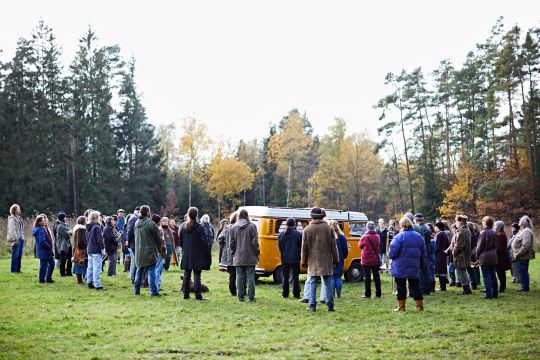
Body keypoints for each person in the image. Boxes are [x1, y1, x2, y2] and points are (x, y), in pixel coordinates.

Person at [301, 207, 338, 312]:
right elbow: (333, 247)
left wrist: (303, 261)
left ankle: (312, 305)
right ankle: (330, 306)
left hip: (313, 260)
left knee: (313, 282)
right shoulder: (328, 228)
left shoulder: (307, 229)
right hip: (326, 259)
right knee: (327, 283)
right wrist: (336, 259)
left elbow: (304, 248)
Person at [389, 217, 427, 311]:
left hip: (400, 266)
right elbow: (424, 253)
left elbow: (392, 253)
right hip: (414, 265)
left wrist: (389, 255)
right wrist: (422, 265)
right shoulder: (419, 236)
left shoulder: (399, 237)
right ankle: (419, 306)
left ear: (402, 225)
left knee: (401, 287)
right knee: (415, 286)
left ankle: (401, 307)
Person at [180, 207, 212, 300]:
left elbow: (181, 242)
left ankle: (186, 295)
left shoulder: (183, 228)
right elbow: (205, 242)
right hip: (197, 255)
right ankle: (198, 295)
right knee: (197, 275)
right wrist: (207, 252)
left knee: (187, 274)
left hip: (187, 254)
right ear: (197, 215)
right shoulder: (200, 228)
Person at [230, 209, 260, 303]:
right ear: (247, 215)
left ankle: (240, 297)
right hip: (250, 256)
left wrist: (233, 252)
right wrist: (257, 252)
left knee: (239, 277)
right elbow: (255, 242)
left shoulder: (233, 227)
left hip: (238, 256)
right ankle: (251, 297)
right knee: (251, 277)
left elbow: (232, 243)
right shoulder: (252, 226)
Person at [133, 205, 164, 296]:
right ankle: (154, 292)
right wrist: (160, 248)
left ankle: (136, 290)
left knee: (139, 271)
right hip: (150, 251)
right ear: (148, 212)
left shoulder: (136, 223)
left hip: (139, 252)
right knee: (151, 272)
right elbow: (158, 238)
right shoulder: (150, 223)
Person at [278, 218, 302, 299]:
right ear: (294, 224)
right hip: (295, 258)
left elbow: (280, 247)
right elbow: (300, 246)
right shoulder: (298, 234)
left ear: (286, 224)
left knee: (285, 277)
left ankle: (285, 294)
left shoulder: (281, 235)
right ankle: (296, 294)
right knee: (296, 277)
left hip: (285, 258)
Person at [476, 216, 498, 299]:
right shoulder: (494, 232)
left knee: (486, 276)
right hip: (493, 255)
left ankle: (488, 294)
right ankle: (495, 294)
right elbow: (496, 244)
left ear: (485, 222)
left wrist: (477, 256)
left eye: (483, 221)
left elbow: (479, 247)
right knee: (493, 275)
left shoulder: (483, 233)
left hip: (485, 256)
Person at [512, 215, 535, 292]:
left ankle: (525, 287)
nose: (519, 221)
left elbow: (526, 244)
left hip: (522, 256)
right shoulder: (523, 230)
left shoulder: (526, 231)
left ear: (524, 223)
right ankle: (524, 286)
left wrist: (518, 253)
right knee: (521, 271)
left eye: (520, 220)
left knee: (523, 271)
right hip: (520, 256)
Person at [359, 221, 381, 298]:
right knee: (376, 277)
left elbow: (360, 246)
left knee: (367, 277)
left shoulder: (364, 237)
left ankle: (367, 294)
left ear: (367, 227)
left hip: (366, 260)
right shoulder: (377, 236)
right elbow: (379, 245)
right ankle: (378, 293)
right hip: (375, 259)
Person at [218, 212, 239, 296]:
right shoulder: (238, 228)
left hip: (230, 254)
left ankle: (232, 290)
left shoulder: (227, 228)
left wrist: (225, 247)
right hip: (238, 254)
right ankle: (239, 290)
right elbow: (220, 239)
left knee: (232, 273)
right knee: (239, 273)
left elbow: (220, 238)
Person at [451, 215, 472, 295]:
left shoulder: (462, 231)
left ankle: (466, 289)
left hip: (461, 256)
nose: (455, 223)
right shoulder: (466, 230)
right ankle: (466, 288)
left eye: (456, 221)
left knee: (461, 272)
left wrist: (454, 251)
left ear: (459, 221)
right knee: (462, 272)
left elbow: (459, 245)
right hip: (464, 255)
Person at [33, 214, 55, 284]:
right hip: (44, 251)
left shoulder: (43, 228)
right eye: (43, 220)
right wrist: (49, 247)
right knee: (44, 265)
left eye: (45, 220)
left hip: (46, 250)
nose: (45, 221)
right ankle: (42, 280)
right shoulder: (40, 230)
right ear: (39, 222)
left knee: (51, 263)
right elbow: (42, 241)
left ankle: (48, 278)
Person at [86, 211, 105, 290]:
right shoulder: (97, 227)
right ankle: (97, 285)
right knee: (97, 268)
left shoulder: (88, 227)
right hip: (96, 250)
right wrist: (102, 249)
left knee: (90, 267)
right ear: (96, 218)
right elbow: (100, 240)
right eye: (99, 216)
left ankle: (89, 282)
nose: (100, 218)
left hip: (90, 249)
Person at [414, 213, 432, 295]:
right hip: (427, 251)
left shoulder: (420, 228)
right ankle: (427, 289)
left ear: (416, 220)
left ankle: (422, 288)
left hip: (422, 251)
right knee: (426, 271)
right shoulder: (427, 227)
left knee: (421, 271)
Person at [329, 220, 348, 299]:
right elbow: (345, 250)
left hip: (330, 259)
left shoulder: (328, 236)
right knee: (338, 276)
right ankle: (338, 294)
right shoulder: (342, 237)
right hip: (339, 259)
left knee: (332, 276)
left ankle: (332, 294)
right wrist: (343, 257)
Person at [7, 204, 25, 273]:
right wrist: (15, 239)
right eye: (18, 209)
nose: (19, 210)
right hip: (16, 239)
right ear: (14, 210)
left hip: (21, 239)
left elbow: (21, 229)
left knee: (19, 255)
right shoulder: (12, 219)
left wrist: (22, 236)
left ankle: (18, 269)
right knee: (15, 255)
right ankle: (13, 270)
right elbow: (12, 230)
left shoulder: (19, 218)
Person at [54, 212, 73, 277]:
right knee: (63, 259)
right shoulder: (60, 226)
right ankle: (62, 273)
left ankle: (69, 272)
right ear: (63, 218)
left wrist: (69, 231)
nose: (66, 218)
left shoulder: (65, 225)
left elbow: (69, 232)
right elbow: (67, 234)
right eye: (65, 217)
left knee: (70, 258)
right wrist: (70, 232)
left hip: (67, 244)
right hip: (62, 245)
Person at [494, 221, 510, 293]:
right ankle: (503, 286)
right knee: (501, 272)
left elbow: (498, 248)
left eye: (495, 227)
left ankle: (501, 287)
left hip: (500, 257)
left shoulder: (500, 235)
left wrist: (495, 254)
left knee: (500, 273)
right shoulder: (502, 234)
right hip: (502, 256)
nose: (494, 228)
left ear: (498, 228)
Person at [434, 222, 450, 291]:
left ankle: (442, 287)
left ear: (437, 227)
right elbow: (448, 244)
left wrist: (434, 251)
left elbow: (436, 246)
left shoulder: (438, 235)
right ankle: (443, 287)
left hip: (438, 255)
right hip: (443, 254)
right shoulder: (445, 234)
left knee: (440, 271)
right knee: (443, 271)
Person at [152, 214, 166, 291]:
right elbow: (162, 242)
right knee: (158, 269)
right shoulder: (159, 229)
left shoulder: (151, 228)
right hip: (159, 252)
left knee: (154, 269)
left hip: (153, 251)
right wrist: (163, 251)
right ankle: (157, 285)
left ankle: (155, 285)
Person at [72, 216, 88, 284]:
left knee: (80, 264)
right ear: (83, 221)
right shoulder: (81, 229)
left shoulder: (79, 229)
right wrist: (85, 248)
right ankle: (80, 280)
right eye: (86, 220)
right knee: (80, 264)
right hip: (80, 249)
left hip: (78, 248)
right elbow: (81, 241)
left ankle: (82, 279)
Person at [126, 207, 140, 283]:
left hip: (135, 243)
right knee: (135, 261)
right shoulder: (134, 218)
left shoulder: (136, 217)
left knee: (136, 261)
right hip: (134, 243)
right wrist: (128, 241)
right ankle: (134, 278)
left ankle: (135, 277)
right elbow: (130, 231)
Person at [467, 222, 481, 289]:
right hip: (474, 253)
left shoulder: (471, 235)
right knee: (474, 268)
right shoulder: (473, 234)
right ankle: (475, 282)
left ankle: (473, 283)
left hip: (471, 253)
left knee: (471, 269)